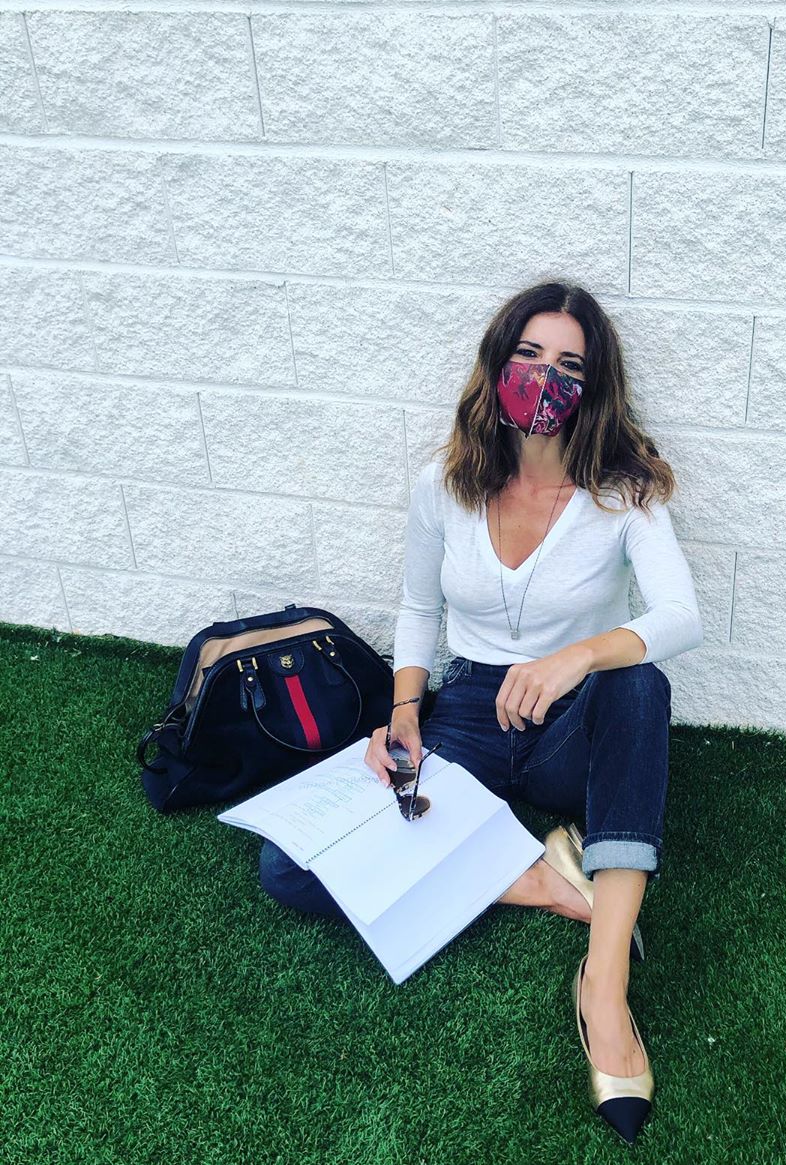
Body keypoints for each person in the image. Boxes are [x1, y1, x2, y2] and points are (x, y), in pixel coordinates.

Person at [258, 279, 704, 1144]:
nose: (545, 378)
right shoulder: (447, 482)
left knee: (639, 682)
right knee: (288, 867)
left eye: (569, 364)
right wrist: (405, 714)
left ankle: (603, 986)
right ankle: (545, 879)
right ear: (498, 363)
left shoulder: (624, 491)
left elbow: (680, 616)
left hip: (571, 720)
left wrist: (577, 655)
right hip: (468, 710)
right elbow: (418, 605)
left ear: (595, 385)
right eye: (529, 355)